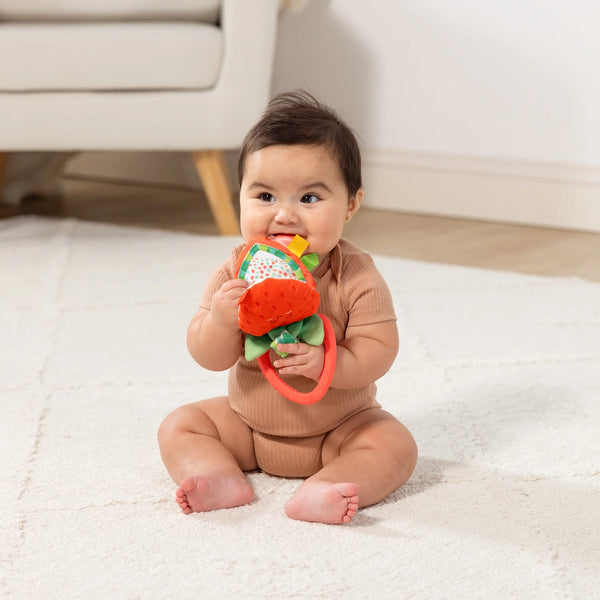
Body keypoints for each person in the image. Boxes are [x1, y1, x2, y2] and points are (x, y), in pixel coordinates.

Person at [158, 91, 418, 524]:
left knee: (395, 444)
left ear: (351, 204)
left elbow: (379, 348)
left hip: (337, 430)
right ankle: (218, 476)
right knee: (180, 424)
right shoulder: (236, 270)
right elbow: (207, 355)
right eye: (264, 197)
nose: (284, 216)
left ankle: (328, 486)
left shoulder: (352, 273)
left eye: (310, 199)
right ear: (239, 197)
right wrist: (223, 320)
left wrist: (327, 365)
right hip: (248, 427)